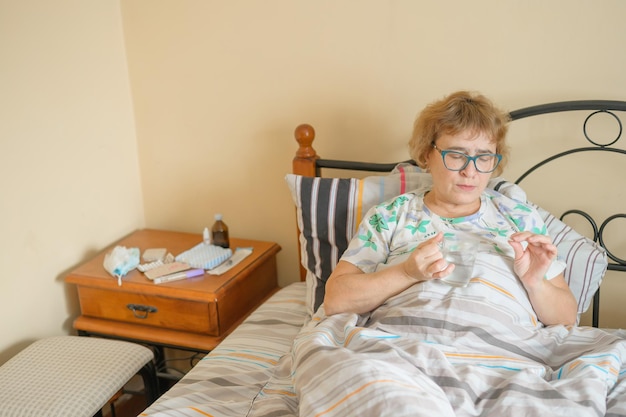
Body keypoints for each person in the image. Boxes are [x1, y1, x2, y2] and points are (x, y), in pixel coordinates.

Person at [323, 90, 578, 326]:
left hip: (502, 350)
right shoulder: (389, 217)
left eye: (484, 157)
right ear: (426, 154)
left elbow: (566, 318)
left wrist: (534, 283)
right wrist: (407, 273)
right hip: (402, 346)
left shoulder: (520, 218)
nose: (471, 171)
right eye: (457, 155)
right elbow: (335, 300)